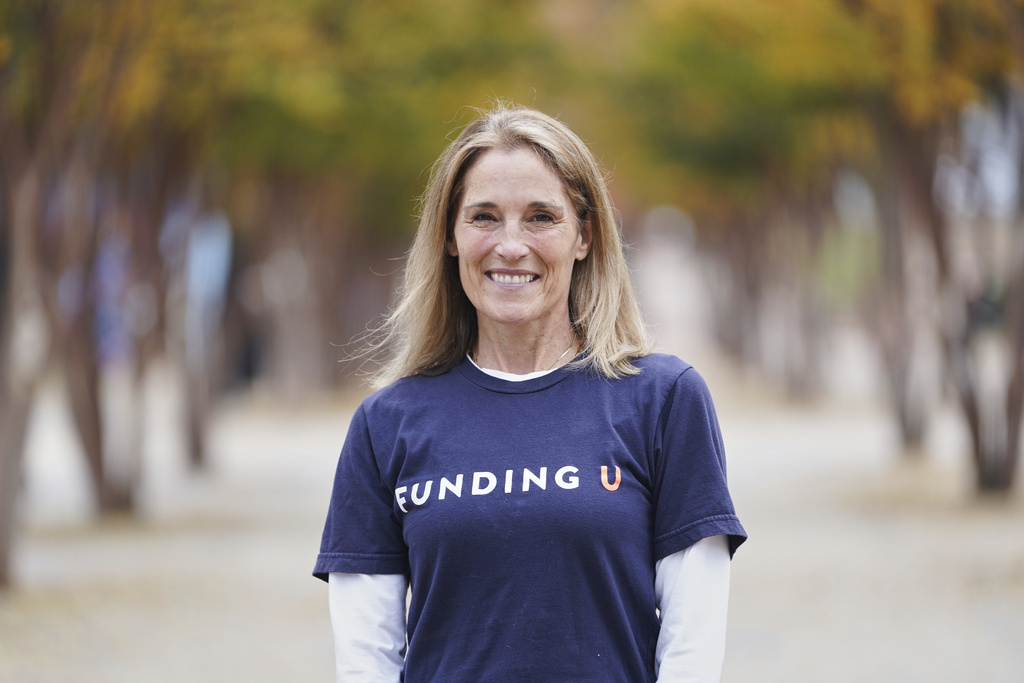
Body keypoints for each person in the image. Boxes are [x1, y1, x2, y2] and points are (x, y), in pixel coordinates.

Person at [313, 105, 746, 682]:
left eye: (541, 217)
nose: (510, 245)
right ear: (449, 237)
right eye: (484, 217)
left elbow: (692, 650)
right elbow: (367, 661)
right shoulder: (385, 424)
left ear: (583, 236)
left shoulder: (664, 402)